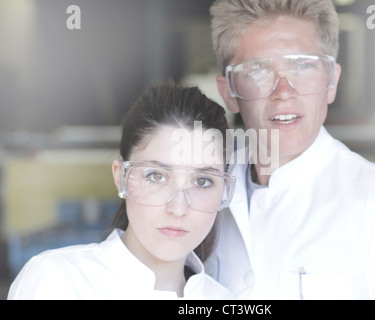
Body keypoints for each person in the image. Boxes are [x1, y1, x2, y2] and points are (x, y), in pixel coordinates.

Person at [205, 0, 375, 299]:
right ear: (229, 92)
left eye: (303, 65)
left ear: (332, 81)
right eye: (257, 70)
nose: (284, 92)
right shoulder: (195, 200)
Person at [8, 83, 235, 300]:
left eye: (203, 181)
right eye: (156, 176)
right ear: (121, 177)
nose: (178, 208)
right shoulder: (58, 283)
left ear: (224, 190)